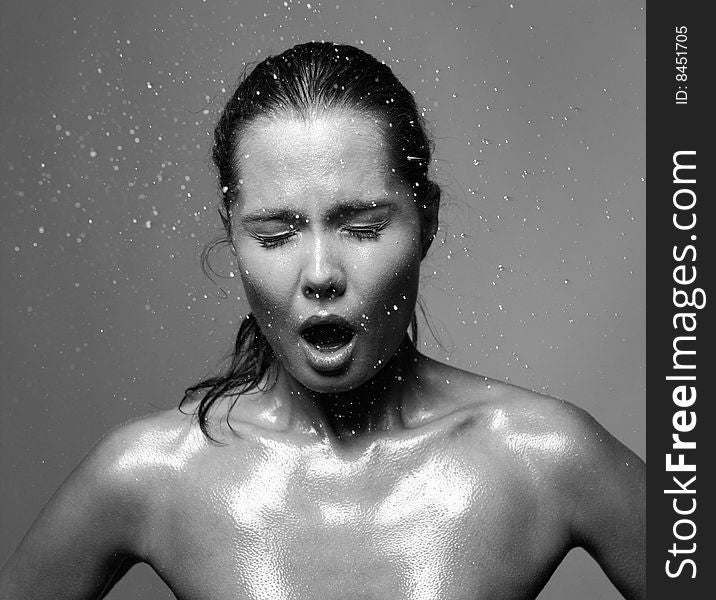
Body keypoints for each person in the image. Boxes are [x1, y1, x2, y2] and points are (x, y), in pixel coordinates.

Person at [0, 42, 645, 600]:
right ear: (232, 238)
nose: (319, 273)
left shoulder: (544, 457)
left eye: (362, 227)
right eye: (276, 234)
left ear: (429, 223)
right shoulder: (148, 474)